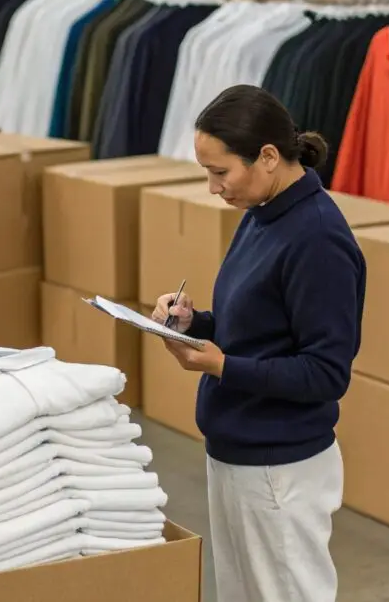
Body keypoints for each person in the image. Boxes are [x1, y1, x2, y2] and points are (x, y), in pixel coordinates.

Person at [152, 84, 366, 602]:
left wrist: (224, 366)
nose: (212, 187)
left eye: (220, 172)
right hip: (234, 450)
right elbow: (256, 327)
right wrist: (194, 322)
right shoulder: (262, 215)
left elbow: (325, 372)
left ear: (268, 157)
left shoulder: (317, 239)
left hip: (280, 466)